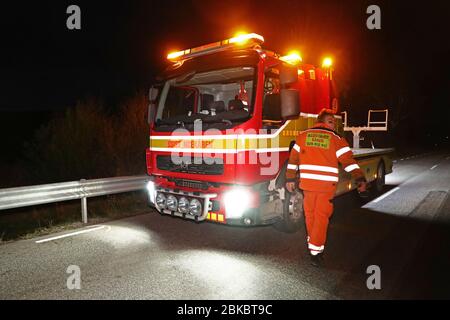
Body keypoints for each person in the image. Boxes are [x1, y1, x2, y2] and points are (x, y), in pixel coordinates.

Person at [285, 108, 368, 267]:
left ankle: (312, 244)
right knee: (321, 217)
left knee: (310, 216)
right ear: (323, 121)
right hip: (325, 186)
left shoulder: (303, 136)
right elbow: (348, 162)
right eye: (332, 121)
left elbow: (293, 159)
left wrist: (289, 178)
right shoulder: (336, 138)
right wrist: (359, 177)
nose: (334, 125)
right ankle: (316, 252)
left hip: (307, 185)